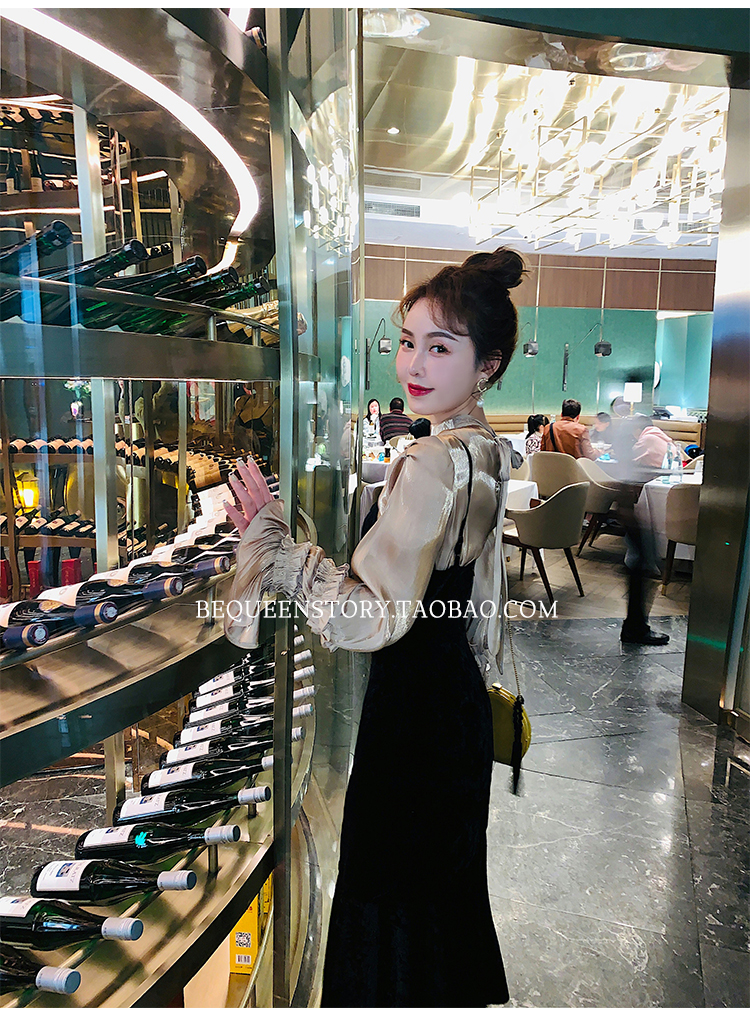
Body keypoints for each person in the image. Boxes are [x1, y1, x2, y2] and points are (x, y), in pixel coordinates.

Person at [222, 247, 526, 1007]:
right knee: (435, 887)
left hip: (413, 714)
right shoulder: (487, 448)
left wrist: (278, 551)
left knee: (391, 883)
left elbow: (372, 616)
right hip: (452, 702)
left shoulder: (431, 460)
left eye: (440, 347)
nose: (413, 364)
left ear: (486, 366)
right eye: (408, 341)